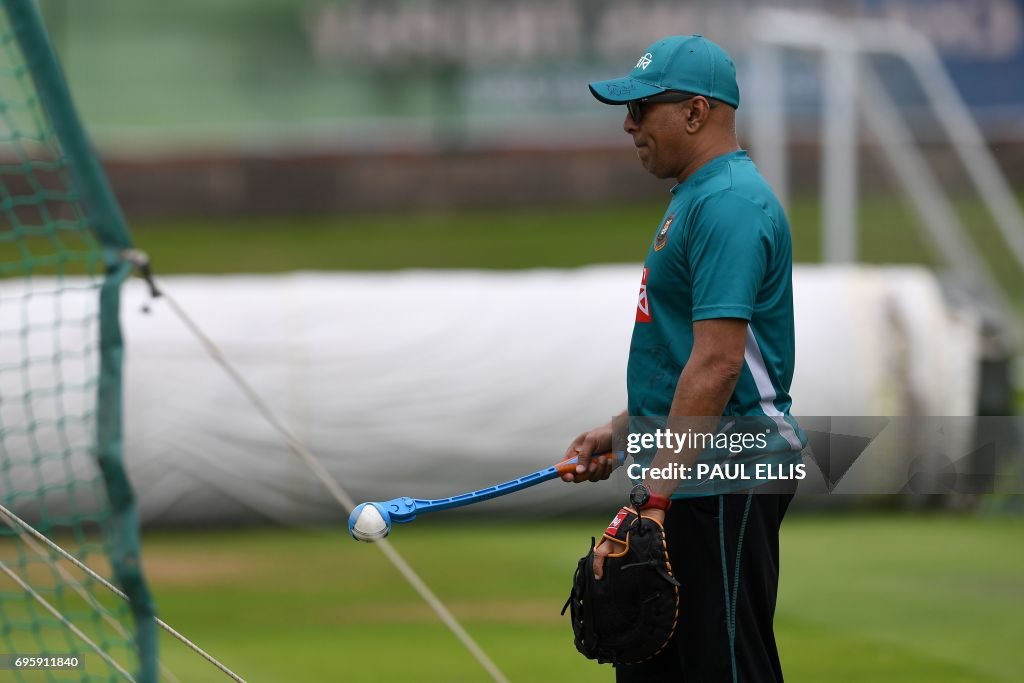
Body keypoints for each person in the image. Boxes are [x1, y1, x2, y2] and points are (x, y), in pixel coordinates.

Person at [562, 35, 806, 682]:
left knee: (724, 667)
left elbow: (720, 364)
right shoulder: (698, 197)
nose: (628, 123)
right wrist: (624, 429)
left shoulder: (728, 203)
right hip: (690, 472)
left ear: (696, 113)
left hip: (723, 473)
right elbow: (683, 357)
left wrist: (657, 496)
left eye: (642, 108)